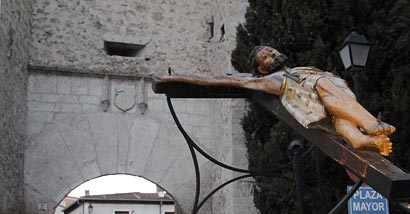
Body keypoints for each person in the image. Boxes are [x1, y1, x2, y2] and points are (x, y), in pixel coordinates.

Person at [154, 45, 394, 155]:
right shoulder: (263, 81)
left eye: (271, 51)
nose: (271, 55)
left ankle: (362, 140)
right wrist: (176, 77)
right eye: (265, 57)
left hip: (331, 95)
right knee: (325, 92)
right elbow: (216, 80)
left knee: (338, 116)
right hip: (314, 97)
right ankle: (372, 125)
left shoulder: (302, 67)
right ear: (260, 68)